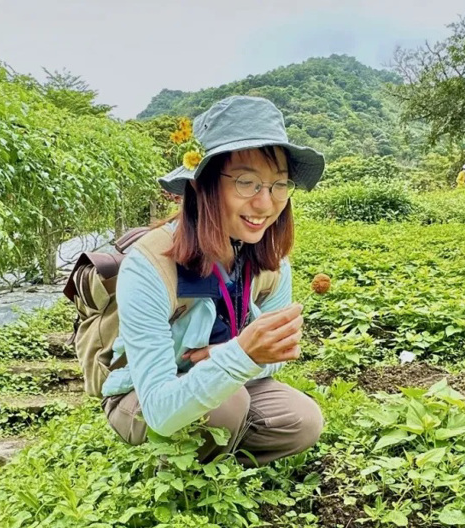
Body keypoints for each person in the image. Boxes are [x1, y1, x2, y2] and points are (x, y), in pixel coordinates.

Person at [101, 95, 326, 466]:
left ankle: (211, 452)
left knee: (302, 421)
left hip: (228, 382)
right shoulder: (149, 266)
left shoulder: (271, 262)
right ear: (204, 184)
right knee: (227, 406)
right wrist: (240, 354)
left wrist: (229, 354)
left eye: (279, 185)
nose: (266, 204)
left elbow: (272, 357)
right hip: (146, 395)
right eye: (246, 182)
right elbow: (158, 407)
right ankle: (180, 465)